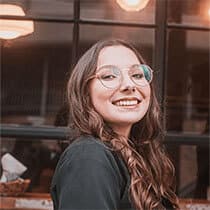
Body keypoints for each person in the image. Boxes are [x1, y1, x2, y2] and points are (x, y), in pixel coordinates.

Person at [51, 39, 179, 210]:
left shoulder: (137, 155)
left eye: (137, 75)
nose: (129, 85)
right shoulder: (88, 157)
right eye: (109, 76)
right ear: (85, 93)